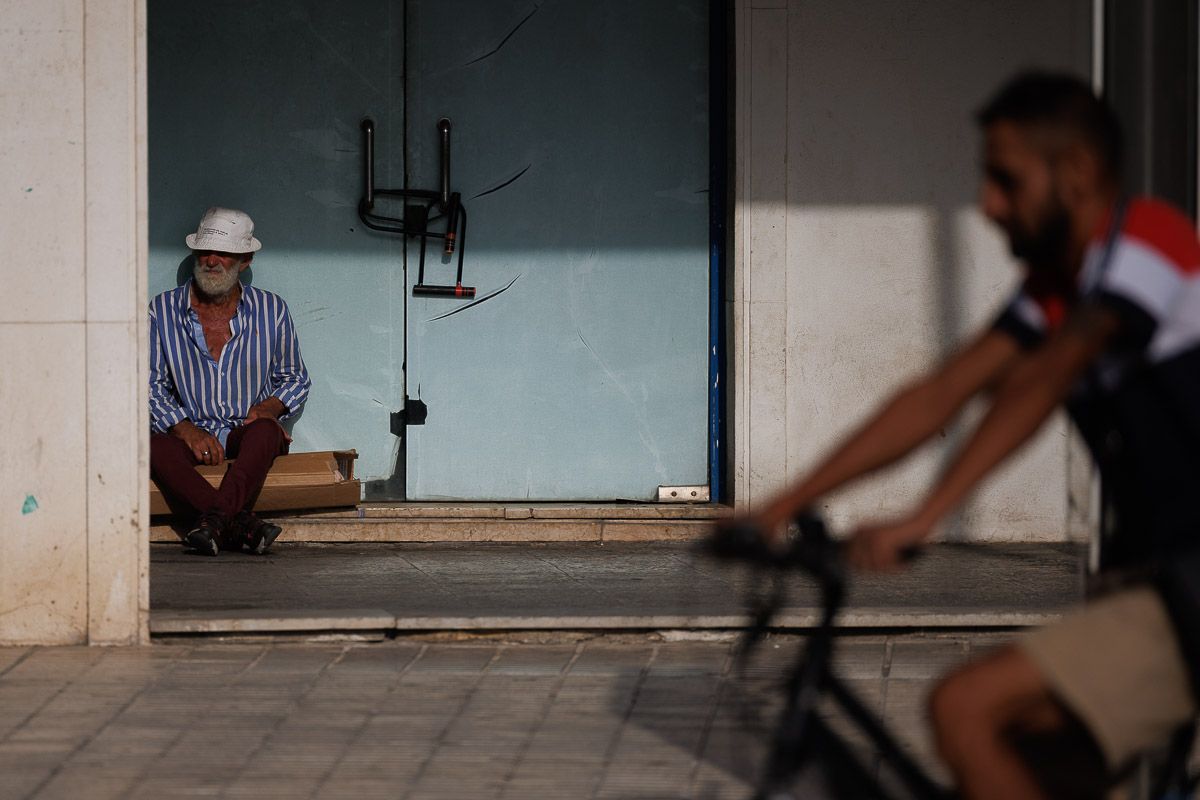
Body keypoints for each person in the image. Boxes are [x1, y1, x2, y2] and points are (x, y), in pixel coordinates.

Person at [744, 72, 1199, 799]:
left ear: (1076, 172)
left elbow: (1053, 371)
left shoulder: (1155, 241)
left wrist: (926, 515)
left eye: (1005, 180)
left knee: (965, 709)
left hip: (1187, 590)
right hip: (1164, 585)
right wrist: (779, 504)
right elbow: (938, 395)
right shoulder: (1057, 289)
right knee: (1032, 763)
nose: (988, 206)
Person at [149, 207, 311, 556]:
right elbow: (149, 385)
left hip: (245, 430)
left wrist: (269, 408)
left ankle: (216, 521)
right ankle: (239, 524)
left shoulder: (272, 309)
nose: (211, 260)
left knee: (267, 431)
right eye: (204, 251)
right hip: (190, 431)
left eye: (223, 253)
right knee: (151, 446)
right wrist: (185, 429)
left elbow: (295, 378)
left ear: (246, 259)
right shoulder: (161, 310)